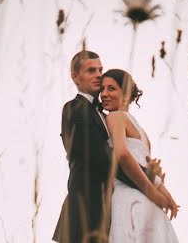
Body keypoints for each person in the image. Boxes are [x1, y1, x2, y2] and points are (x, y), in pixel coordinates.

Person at [53, 51, 170, 243]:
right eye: (91, 70)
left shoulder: (109, 117)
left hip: (112, 211)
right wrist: (152, 186)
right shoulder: (74, 108)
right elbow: (105, 158)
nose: (98, 74)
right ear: (75, 77)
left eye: (100, 69)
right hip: (85, 212)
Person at [101, 68, 180, 243]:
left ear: (126, 93)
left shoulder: (114, 117)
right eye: (102, 89)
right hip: (148, 205)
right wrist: (167, 197)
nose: (104, 94)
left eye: (111, 88)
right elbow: (150, 173)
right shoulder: (142, 132)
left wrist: (155, 194)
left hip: (128, 199)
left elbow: (122, 154)